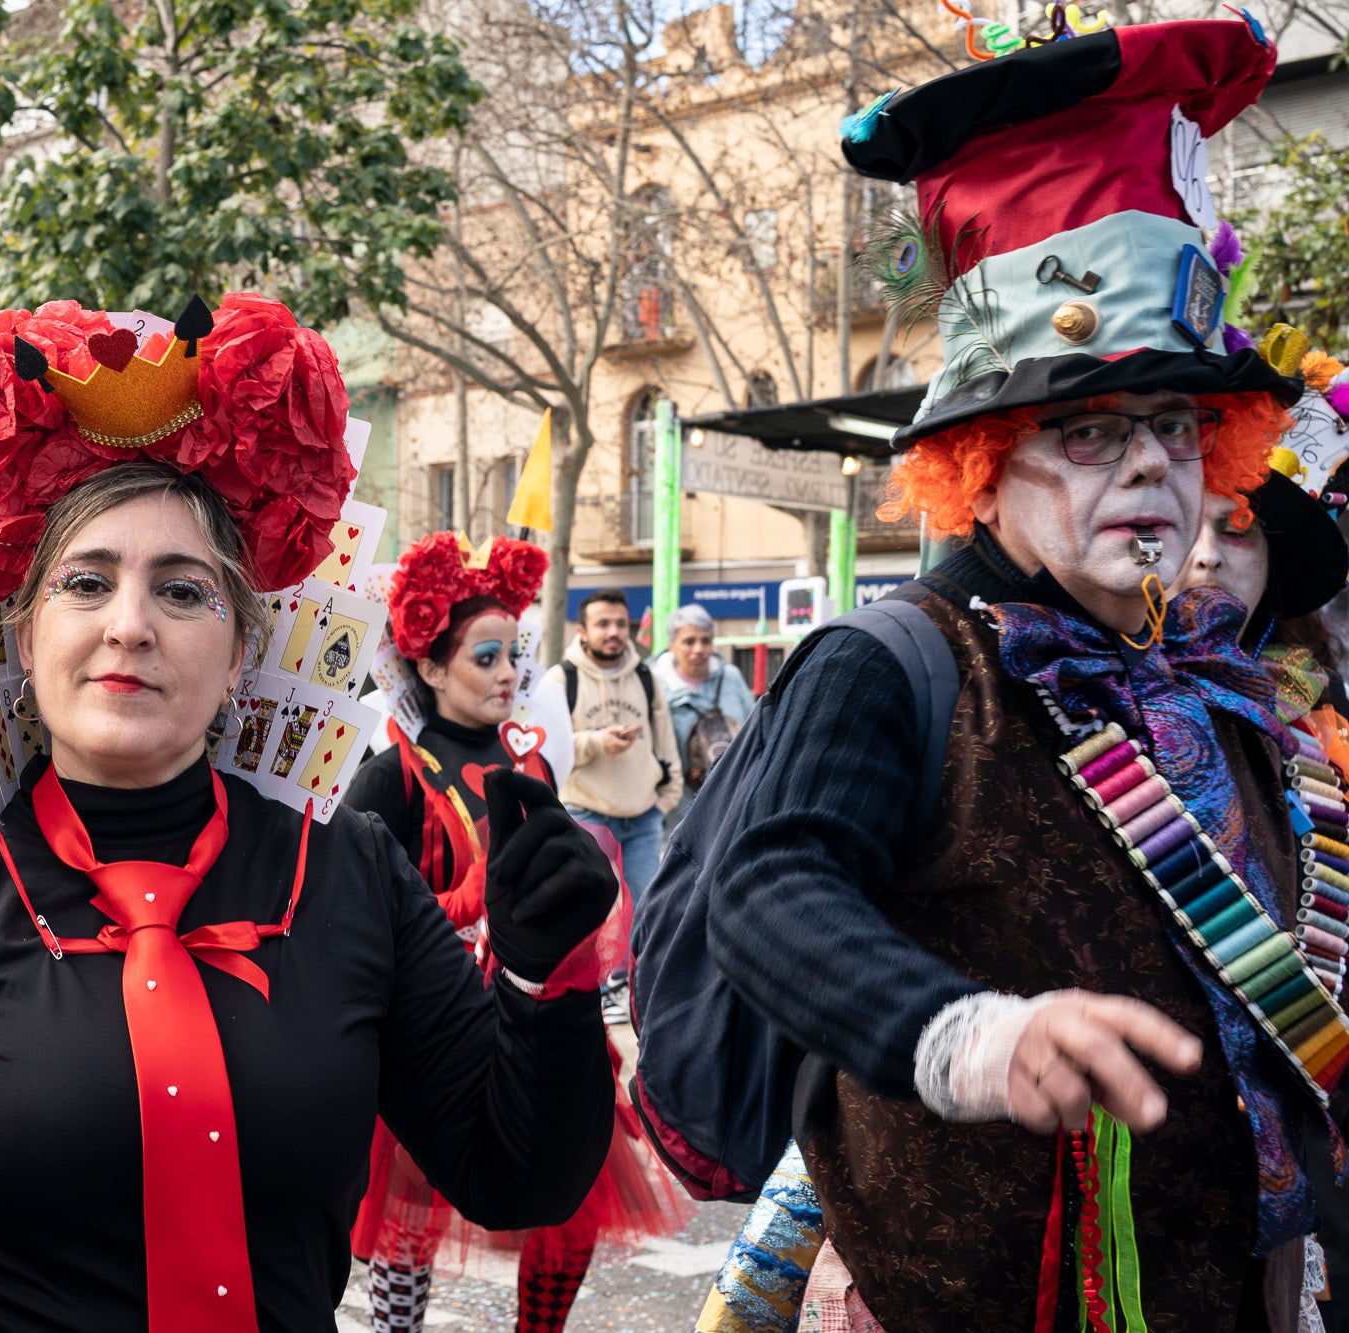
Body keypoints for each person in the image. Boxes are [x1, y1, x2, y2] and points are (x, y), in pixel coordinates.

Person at [0, 293, 621, 1332]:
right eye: (86, 584)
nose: (129, 625)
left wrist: (545, 980)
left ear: (238, 656)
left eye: (181, 593)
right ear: (24, 630)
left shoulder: (349, 873)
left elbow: (517, 1178)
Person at [636, 18, 1347, 1329]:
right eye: (1089, 429)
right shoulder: (889, 662)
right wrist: (971, 1037)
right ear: (982, 459)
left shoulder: (1206, 677)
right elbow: (766, 890)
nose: (1149, 469)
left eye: (1180, 428)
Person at [344, 529, 684, 1333]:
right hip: (431, 1021)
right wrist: (463, 909)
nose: (508, 675)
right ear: (428, 666)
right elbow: (355, 909)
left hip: (535, 1011)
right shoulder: (391, 773)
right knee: (408, 1231)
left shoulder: (531, 764)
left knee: (571, 1200)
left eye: (512, 656)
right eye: (485, 657)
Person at [544, 591, 680, 904]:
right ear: (583, 632)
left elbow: (665, 742)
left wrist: (664, 801)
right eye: (602, 624)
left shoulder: (646, 676)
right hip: (585, 816)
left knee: (642, 914)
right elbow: (546, 752)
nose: (614, 632)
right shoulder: (561, 679)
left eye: (621, 623)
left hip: (644, 819)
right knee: (589, 914)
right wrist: (597, 742)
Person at [650, 603, 754, 826]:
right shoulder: (657, 685)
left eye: (705, 641)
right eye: (689, 641)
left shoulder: (731, 677)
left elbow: (754, 728)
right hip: (678, 809)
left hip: (732, 797)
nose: (699, 649)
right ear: (672, 646)